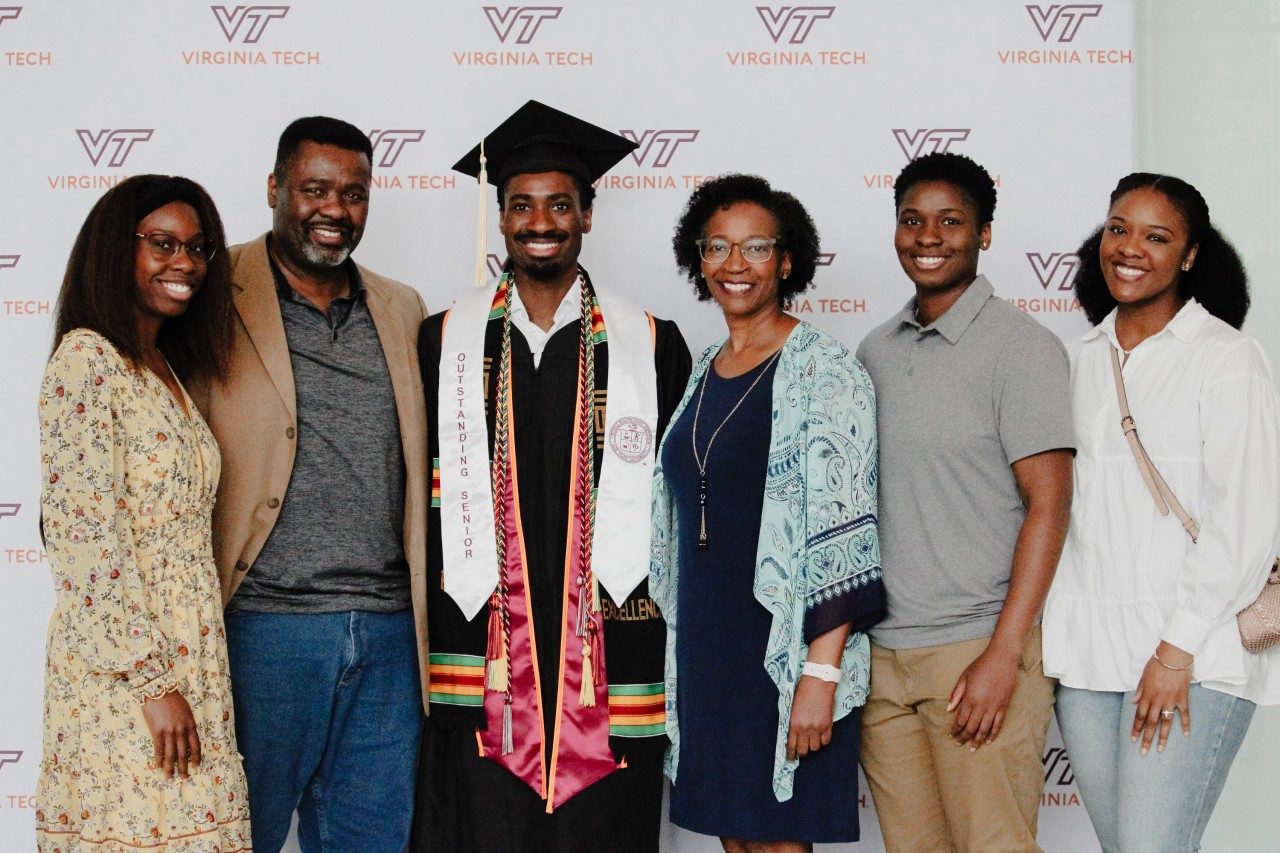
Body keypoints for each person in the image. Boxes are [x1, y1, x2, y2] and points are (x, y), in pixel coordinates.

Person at [412, 100, 692, 853]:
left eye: (560, 205)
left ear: (588, 215)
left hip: (613, 657)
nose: (541, 221)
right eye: (521, 205)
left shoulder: (651, 344)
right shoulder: (444, 342)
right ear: (500, 218)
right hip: (479, 658)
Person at [193, 116, 429, 852]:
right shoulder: (208, 292)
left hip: (391, 635)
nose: (335, 209)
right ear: (274, 188)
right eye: (315, 189)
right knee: (236, 837)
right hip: (263, 629)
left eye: (354, 193)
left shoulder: (402, 307)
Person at [1042, 173, 1280, 852]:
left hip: (1193, 651)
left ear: (1190, 255)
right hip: (1088, 657)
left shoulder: (1227, 360)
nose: (1130, 248)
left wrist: (1177, 648)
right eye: (1119, 229)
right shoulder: (1075, 360)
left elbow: (1248, 519)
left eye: (1156, 235)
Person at [650, 174, 887, 851]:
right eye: (717, 246)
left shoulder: (826, 368)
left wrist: (819, 674)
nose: (735, 264)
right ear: (699, 260)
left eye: (755, 246)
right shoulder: (706, 366)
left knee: (781, 839)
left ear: (787, 259)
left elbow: (846, 531)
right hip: (709, 649)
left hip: (782, 651)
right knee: (736, 837)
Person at [855, 152, 1075, 852]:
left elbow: (1049, 505)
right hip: (884, 660)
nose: (929, 236)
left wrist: (1003, 654)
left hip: (977, 648)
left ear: (984, 234)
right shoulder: (874, 350)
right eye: (912, 220)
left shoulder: (1023, 347)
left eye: (951, 221)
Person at [35, 175, 251, 850]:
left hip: (194, 657)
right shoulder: (86, 361)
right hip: (126, 676)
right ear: (114, 249)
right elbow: (86, 543)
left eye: (196, 247)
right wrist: (154, 683)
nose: (183, 262)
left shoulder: (161, 365)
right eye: (161, 243)